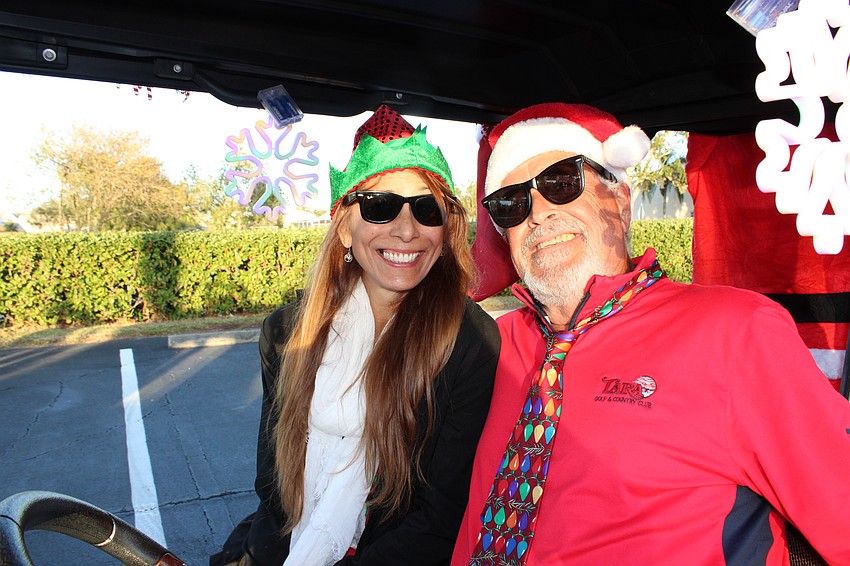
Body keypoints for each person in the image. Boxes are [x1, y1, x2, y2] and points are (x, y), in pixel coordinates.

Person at [450, 103, 850, 565]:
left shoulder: (735, 332)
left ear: (621, 200)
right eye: (511, 204)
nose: (537, 213)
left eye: (562, 183)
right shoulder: (492, 345)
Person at [210, 105, 500, 566]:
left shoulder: (470, 342)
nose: (406, 230)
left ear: (446, 233)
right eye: (380, 206)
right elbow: (274, 488)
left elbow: (439, 518)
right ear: (344, 226)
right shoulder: (287, 334)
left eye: (427, 210)